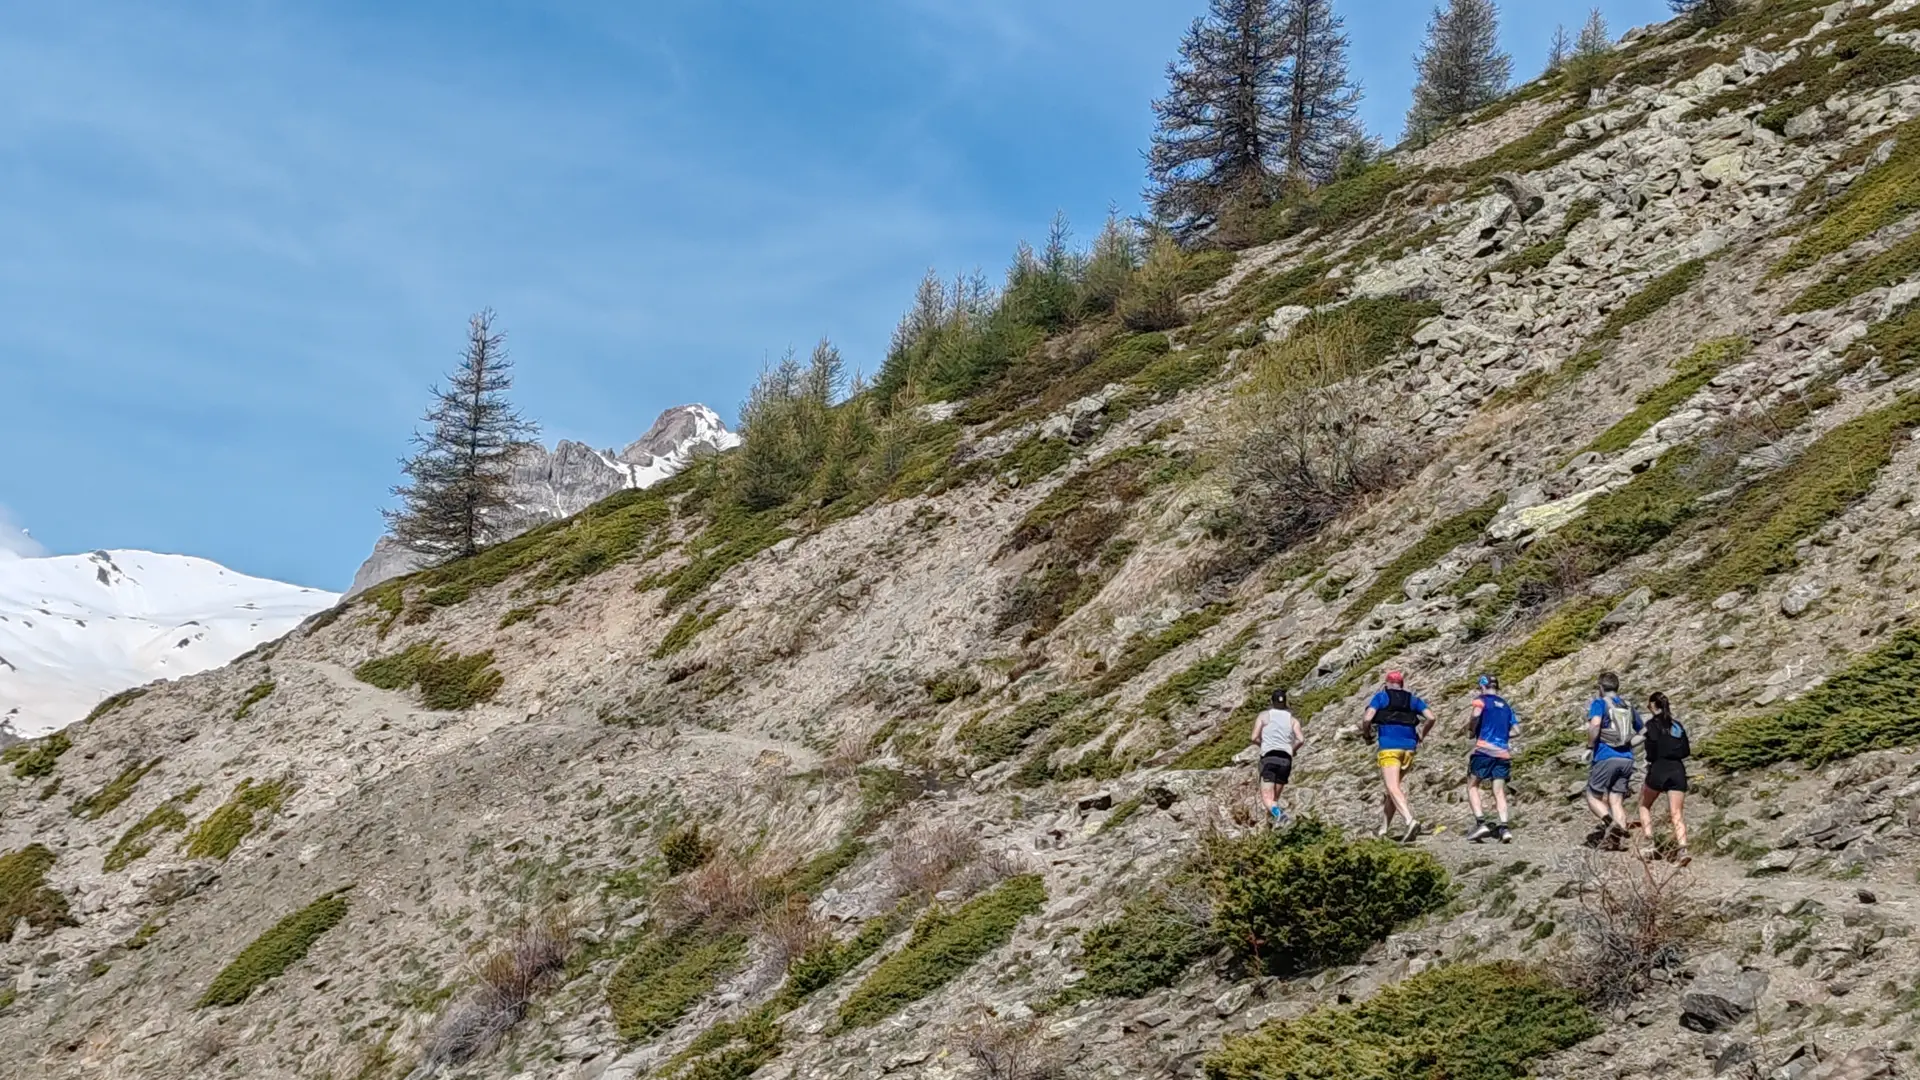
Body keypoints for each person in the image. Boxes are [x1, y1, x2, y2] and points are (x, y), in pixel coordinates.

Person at [1363, 671, 1436, 842]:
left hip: (1389, 748)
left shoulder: (1381, 697)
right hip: (1409, 749)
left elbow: (1367, 718)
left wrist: (1366, 734)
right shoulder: (1412, 699)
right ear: (1402, 684)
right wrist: (1422, 735)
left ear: (1387, 683)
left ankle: (1409, 820)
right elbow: (1431, 717)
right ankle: (1384, 829)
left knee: (1392, 788)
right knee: (1392, 790)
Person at [1585, 671, 1644, 850]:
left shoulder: (1600, 703)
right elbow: (1644, 731)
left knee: (1592, 796)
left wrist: (1589, 747)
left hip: (1605, 756)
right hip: (1627, 758)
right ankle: (1616, 842)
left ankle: (1611, 824)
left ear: (1601, 688)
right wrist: (1629, 744)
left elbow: (1595, 725)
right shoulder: (1627, 705)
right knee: (1616, 799)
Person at [1461, 675, 1518, 844]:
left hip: (1484, 749)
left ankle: (1480, 823)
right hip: (1502, 752)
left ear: (1483, 686)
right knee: (1498, 790)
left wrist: (1472, 730)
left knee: (1472, 785)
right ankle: (1504, 828)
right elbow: (1517, 730)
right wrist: (1503, 736)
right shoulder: (1506, 706)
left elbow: (1476, 715)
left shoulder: (1481, 700)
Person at [1638, 691, 1692, 865]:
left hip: (1658, 769)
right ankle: (1683, 849)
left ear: (1653, 706)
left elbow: (1648, 748)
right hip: (1677, 770)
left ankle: (1649, 842)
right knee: (1677, 813)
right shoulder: (1677, 726)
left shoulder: (1651, 725)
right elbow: (1686, 751)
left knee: (1644, 804)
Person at [1250, 688, 1305, 826]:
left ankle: (1282, 817)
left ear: (1271, 701)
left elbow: (1254, 737)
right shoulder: (1293, 720)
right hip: (1285, 760)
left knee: (1267, 798)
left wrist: (1264, 744)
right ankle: (1272, 825)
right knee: (1274, 798)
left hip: (1269, 758)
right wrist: (1291, 750)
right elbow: (1300, 739)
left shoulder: (1264, 716)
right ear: (1285, 702)